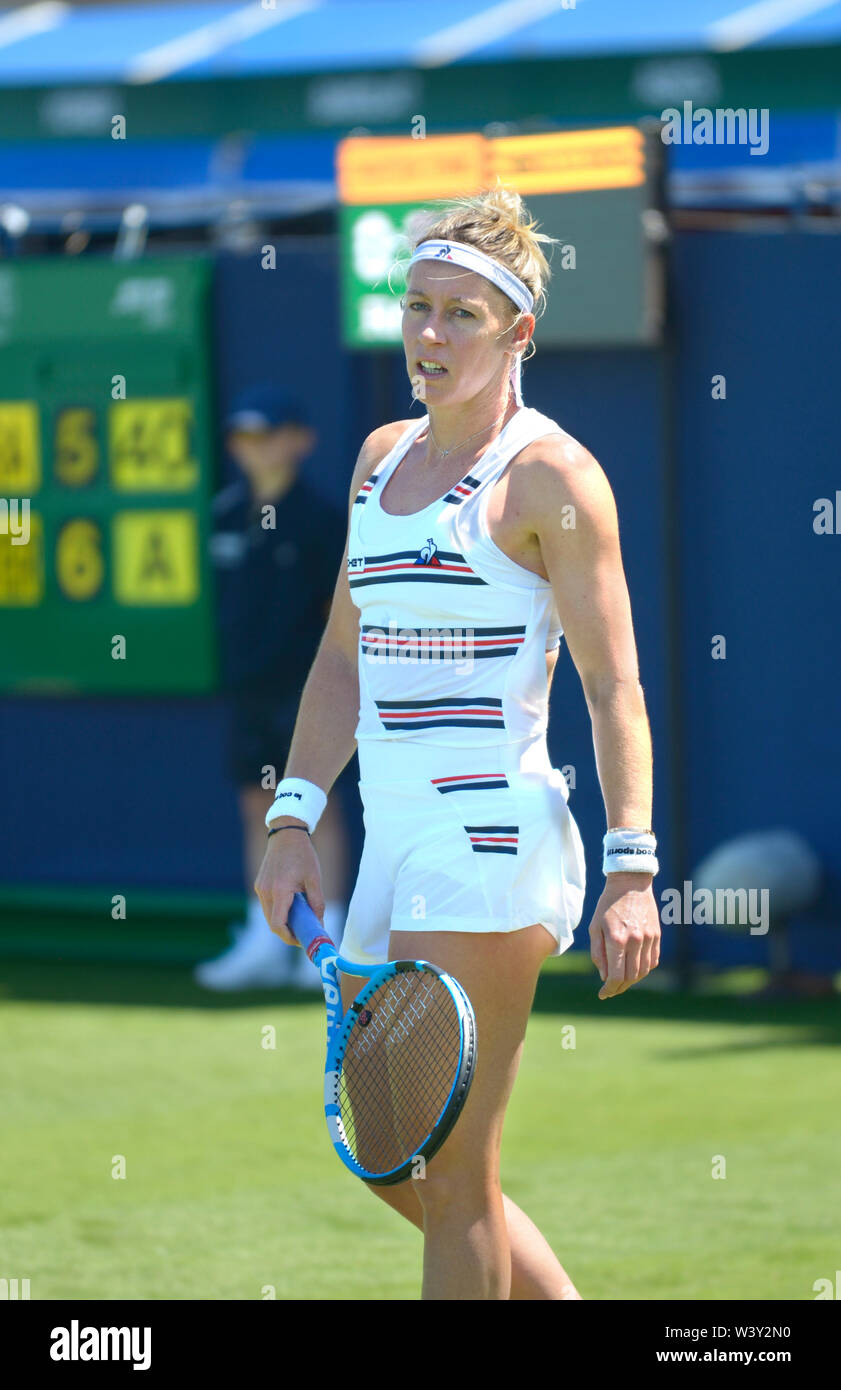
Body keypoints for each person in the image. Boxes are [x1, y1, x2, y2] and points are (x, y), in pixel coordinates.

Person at [255, 187, 661, 1298]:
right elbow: (342, 654)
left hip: (490, 843)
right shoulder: (379, 457)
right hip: (390, 843)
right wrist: (295, 815)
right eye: (416, 306)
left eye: (461, 316)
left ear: (518, 332)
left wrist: (632, 863)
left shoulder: (552, 477)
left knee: (453, 1167)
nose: (428, 337)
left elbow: (612, 679)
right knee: (396, 1153)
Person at [195, 385, 350, 991]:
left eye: (266, 434)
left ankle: (326, 942)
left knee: (317, 809)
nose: (252, 448)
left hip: (308, 694)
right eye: (242, 436)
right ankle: (264, 937)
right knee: (257, 806)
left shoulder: (320, 521)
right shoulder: (224, 514)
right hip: (249, 692)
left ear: (299, 441)